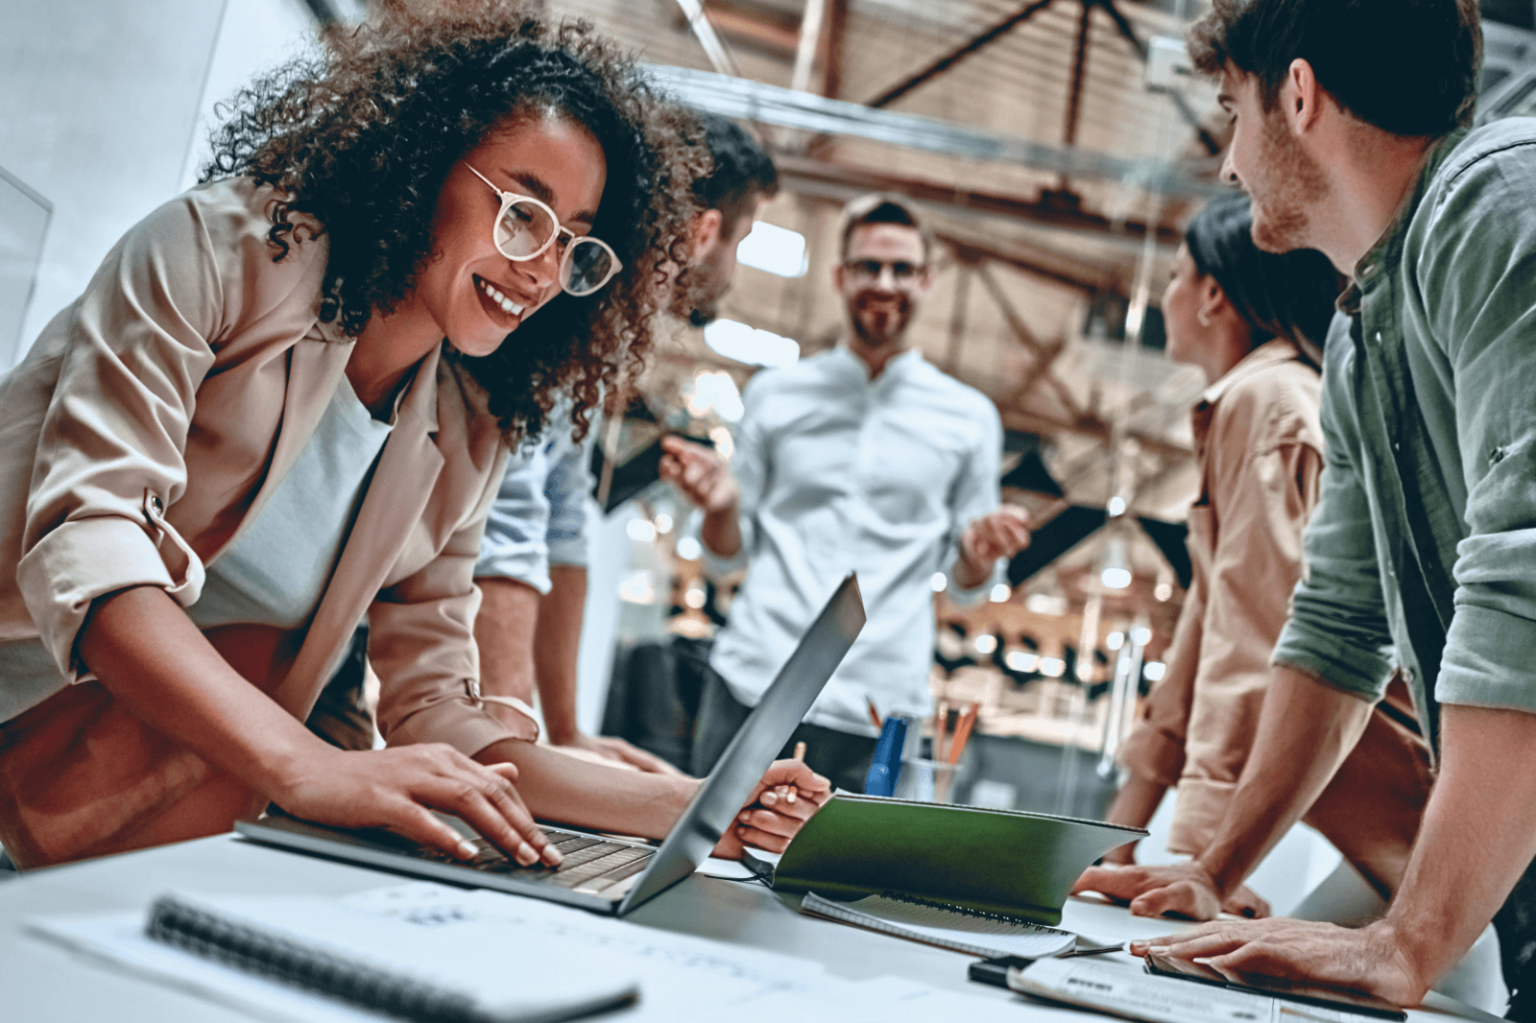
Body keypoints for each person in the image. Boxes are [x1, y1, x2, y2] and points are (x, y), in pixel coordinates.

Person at [0, 1, 825, 873]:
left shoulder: (467, 429)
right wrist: (308, 766)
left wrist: (698, 805)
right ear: (426, 162)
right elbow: (90, 544)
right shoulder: (215, 255)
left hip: (76, 803)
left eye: (576, 245)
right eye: (522, 214)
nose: (543, 269)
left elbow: (437, 709)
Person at [1072, 0, 1536, 1014]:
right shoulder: (1366, 334)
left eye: (1234, 112)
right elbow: (1335, 627)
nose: (1232, 166)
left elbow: (1529, 583)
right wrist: (1214, 866)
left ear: (1297, 94)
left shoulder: (1502, 201)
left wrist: (1405, 943)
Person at [661, 193, 1031, 793]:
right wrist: (723, 507)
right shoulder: (777, 394)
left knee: (843, 884)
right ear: (839, 276)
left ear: (928, 280)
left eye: (902, 269)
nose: (885, 283)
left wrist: (979, 553)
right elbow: (726, 554)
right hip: (755, 681)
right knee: (706, 866)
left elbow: (968, 588)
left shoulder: (970, 418)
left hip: (880, 705)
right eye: (868, 266)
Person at [468, 113, 778, 772]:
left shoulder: (604, 337)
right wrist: (517, 748)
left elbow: (562, 519)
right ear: (705, 232)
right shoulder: (565, 303)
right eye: (742, 240)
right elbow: (513, 520)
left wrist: (564, 730)